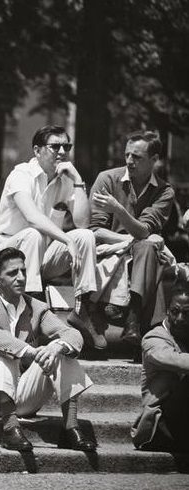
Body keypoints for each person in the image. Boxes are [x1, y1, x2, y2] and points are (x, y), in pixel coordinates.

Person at [0, 248, 95, 452]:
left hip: (21, 395)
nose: (21, 278)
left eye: (23, 271)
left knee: (63, 350)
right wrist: (30, 352)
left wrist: (56, 347)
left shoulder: (36, 307)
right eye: (12, 273)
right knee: (4, 348)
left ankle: (71, 428)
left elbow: (72, 334)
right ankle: (10, 428)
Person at [0, 125, 103, 349]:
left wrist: (78, 180)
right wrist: (66, 240)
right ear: (37, 150)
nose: (62, 152)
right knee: (34, 234)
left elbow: (82, 223)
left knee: (85, 236)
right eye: (55, 146)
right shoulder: (21, 175)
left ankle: (82, 310)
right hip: (6, 253)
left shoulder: (66, 178)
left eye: (66, 146)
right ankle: (33, 314)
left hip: (40, 255)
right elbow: (32, 217)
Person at [90, 131, 175, 348]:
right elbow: (96, 231)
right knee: (147, 246)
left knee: (147, 247)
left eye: (137, 157)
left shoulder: (165, 191)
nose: (129, 161)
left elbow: (145, 229)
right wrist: (134, 240)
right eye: (127, 154)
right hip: (109, 250)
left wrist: (118, 209)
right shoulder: (107, 179)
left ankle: (133, 318)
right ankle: (140, 325)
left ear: (155, 160)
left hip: (142, 256)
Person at [132, 281, 189, 451]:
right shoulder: (153, 338)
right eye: (174, 312)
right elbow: (174, 360)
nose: (179, 319)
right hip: (160, 423)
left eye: (187, 313)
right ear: (166, 311)